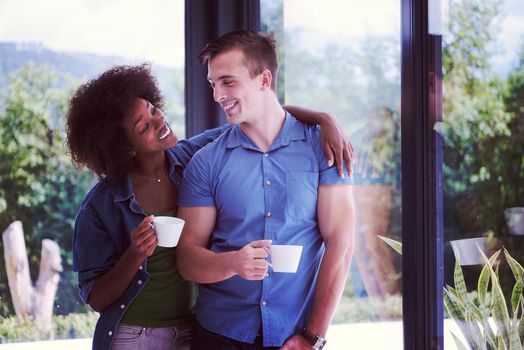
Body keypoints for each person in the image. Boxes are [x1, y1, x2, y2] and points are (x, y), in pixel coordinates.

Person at [66, 63, 353, 350]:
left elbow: (261, 114)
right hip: (135, 335)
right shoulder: (101, 205)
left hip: (193, 330)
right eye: (143, 126)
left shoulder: (194, 158)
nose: (158, 122)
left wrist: (323, 119)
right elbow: (95, 296)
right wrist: (135, 254)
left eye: (153, 109)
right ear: (124, 146)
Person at [176, 30, 356, 350]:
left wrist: (312, 337)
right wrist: (233, 263)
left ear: (263, 79)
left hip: (296, 336)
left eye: (228, 82)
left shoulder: (322, 147)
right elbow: (188, 258)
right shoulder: (206, 162)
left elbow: (341, 244)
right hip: (220, 336)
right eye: (213, 84)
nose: (218, 95)